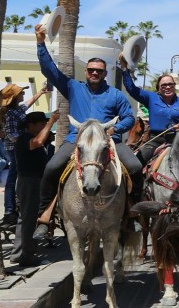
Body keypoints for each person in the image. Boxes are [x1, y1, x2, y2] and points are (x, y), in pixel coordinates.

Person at [35, 23, 141, 232]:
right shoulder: (73, 87)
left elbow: (129, 117)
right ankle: (45, 216)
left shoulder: (115, 95)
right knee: (51, 167)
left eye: (99, 71)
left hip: (109, 141)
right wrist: (40, 42)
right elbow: (50, 69)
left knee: (136, 167)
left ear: (104, 73)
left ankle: (133, 212)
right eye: (91, 70)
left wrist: (115, 129)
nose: (94, 73)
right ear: (86, 71)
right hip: (76, 138)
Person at [120, 61, 179, 163]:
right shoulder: (151, 97)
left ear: (174, 86)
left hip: (178, 142)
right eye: (164, 85)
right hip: (155, 141)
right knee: (135, 165)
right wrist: (124, 69)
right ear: (158, 88)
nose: (167, 87)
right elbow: (131, 89)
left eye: (170, 84)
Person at [10, 111, 58, 266]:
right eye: (41, 124)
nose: (44, 126)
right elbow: (37, 142)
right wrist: (51, 122)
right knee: (29, 220)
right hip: (30, 182)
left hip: (31, 181)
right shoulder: (25, 139)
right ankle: (27, 257)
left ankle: (18, 254)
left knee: (24, 219)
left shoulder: (32, 139)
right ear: (31, 125)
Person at [0, 83, 49, 226]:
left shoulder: (18, 110)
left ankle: (14, 207)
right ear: (15, 97)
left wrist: (40, 92)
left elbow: (28, 103)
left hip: (21, 149)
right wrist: (24, 143)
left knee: (16, 178)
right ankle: (10, 210)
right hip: (15, 149)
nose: (23, 95)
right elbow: (10, 133)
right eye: (20, 93)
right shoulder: (10, 113)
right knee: (13, 178)